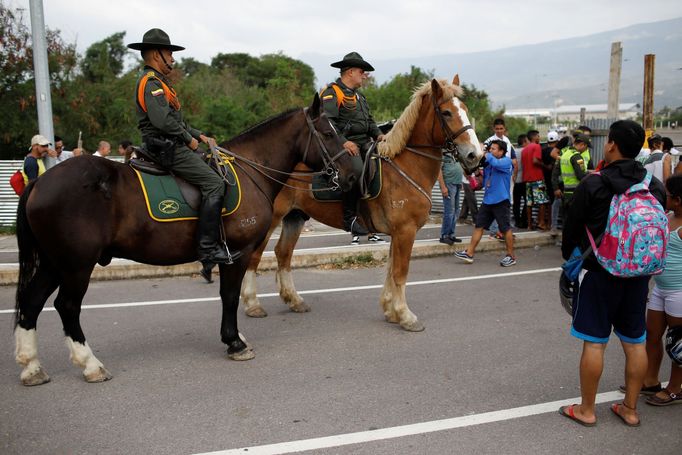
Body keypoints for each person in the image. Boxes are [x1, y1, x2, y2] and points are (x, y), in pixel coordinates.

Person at [558, 119, 666, 427]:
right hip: (639, 275)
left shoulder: (594, 183)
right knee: (635, 343)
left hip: (599, 273)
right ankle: (630, 409)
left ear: (611, 145)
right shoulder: (652, 185)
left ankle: (587, 410)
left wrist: (571, 259)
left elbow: (572, 231)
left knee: (594, 342)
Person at [127, 28, 241, 267]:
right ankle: (208, 248)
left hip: (170, 141)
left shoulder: (158, 82)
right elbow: (163, 121)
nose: (172, 57)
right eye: (169, 52)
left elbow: (177, 121)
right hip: (166, 147)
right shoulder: (151, 83)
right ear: (157, 55)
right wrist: (188, 140)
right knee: (214, 183)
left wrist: (200, 136)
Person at [321, 52, 386, 245]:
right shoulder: (333, 92)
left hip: (365, 143)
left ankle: (372, 222)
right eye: (362, 71)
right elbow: (327, 122)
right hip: (341, 146)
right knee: (356, 170)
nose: (364, 75)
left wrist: (380, 136)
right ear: (350, 72)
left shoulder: (360, 96)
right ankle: (350, 218)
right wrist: (343, 142)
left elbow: (370, 122)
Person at [634, 174, 682, 407]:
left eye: (670, 196)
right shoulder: (667, 217)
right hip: (661, 288)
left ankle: (675, 388)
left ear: (679, 199)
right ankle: (651, 380)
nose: (666, 198)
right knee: (652, 335)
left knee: (678, 342)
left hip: (679, 292)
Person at [454, 140, 516, 267]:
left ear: (501, 151)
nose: (491, 150)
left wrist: (484, 151)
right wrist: (475, 172)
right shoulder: (489, 163)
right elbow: (482, 179)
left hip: (501, 200)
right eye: (491, 148)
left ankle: (511, 256)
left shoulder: (506, 162)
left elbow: (495, 162)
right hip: (488, 200)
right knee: (479, 226)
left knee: (505, 229)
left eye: (494, 149)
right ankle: (469, 253)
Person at [483, 118, 518, 240]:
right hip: (494, 177)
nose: (499, 131)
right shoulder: (489, 141)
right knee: (494, 202)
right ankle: (494, 231)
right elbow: (484, 157)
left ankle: (503, 231)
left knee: (504, 203)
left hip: (505, 176)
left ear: (504, 129)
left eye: (501, 128)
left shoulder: (507, 142)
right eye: (497, 129)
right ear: (494, 129)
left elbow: (513, 159)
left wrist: (514, 173)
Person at [553, 133, 591, 230]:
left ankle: (566, 243)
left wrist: (556, 188)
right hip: (576, 193)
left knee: (567, 220)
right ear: (582, 144)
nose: (586, 150)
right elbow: (581, 176)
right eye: (586, 147)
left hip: (566, 192)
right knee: (577, 222)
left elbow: (555, 173)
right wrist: (591, 174)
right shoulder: (577, 156)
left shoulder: (564, 154)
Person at [521, 130, 549, 230]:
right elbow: (535, 160)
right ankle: (541, 223)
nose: (539, 137)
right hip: (537, 178)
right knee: (541, 201)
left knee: (529, 203)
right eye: (538, 136)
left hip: (527, 179)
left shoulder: (524, 150)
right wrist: (546, 166)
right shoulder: (536, 146)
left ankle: (529, 225)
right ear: (534, 137)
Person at [437, 151, 464, 245]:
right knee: (449, 211)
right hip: (448, 184)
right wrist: (443, 187)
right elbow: (438, 170)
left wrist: (460, 182)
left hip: (457, 184)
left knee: (456, 210)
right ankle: (444, 236)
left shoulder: (455, 152)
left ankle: (451, 235)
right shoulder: (443, 153)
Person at [542, 131, 560, 235]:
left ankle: (548, 223)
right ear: (557, 141)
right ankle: (552, 224)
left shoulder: (543, 150)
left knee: (547, 201)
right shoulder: (556, 152)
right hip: (555, 180)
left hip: (545, 178)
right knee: (555, 202)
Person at [513, 134, 528, 229]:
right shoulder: (525, 151)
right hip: (525, 180)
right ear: (524, 142)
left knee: (516, 203)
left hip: (515, 181)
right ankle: (524, 220)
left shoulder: (514, 151)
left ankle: (517, 221)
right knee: (527, 202)